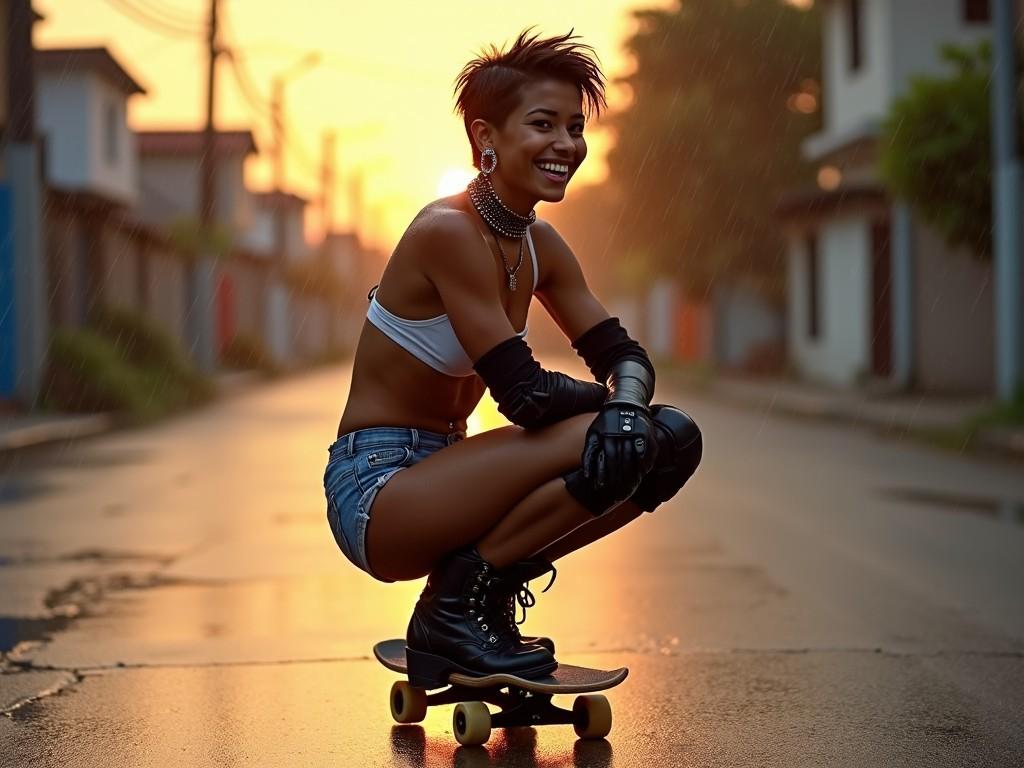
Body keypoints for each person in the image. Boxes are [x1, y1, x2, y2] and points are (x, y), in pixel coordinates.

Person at [323, 29, 702, 689]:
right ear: (485, 137)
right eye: (543, 124)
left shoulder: (540, 246)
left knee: (669, 441)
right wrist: (617, 410)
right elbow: (525, 396)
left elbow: (622, 354)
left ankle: (480, 598)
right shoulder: (448, 233)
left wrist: (626, 406)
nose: (566, 144)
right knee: (626, 430)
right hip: (379, 492)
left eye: (575, 127)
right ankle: (454, 608)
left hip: (450, 472)